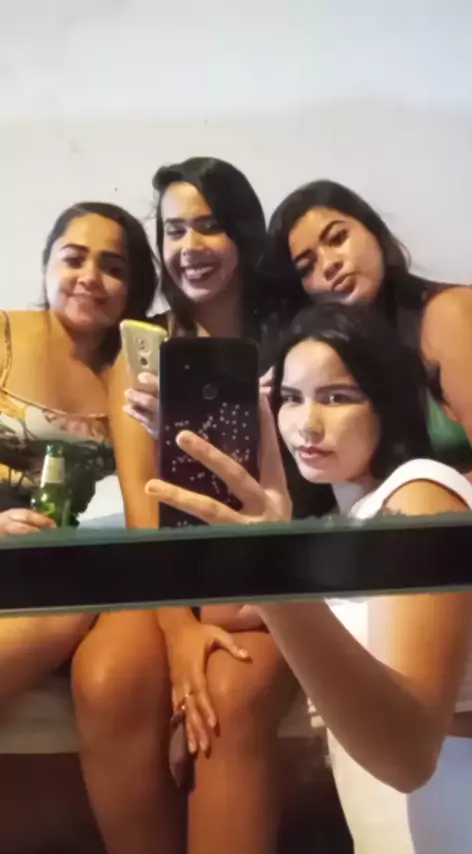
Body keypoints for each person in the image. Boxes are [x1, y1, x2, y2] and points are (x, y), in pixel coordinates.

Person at [146, 300, 472, 853]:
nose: (307, 424)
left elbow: (408, 755)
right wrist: (231, 475)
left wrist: (274, 569)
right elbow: (227, 611)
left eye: (337, 397)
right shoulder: (340, 525)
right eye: (290, 398)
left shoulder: (421, 495)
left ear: (386, 402)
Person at [73, 157, 302, 854]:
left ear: (242, 233)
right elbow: (145, 509)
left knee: (228, 696)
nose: (189, 247)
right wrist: (177, 632)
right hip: (167, 571)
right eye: (174, 231)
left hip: (266, 567)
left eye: (208, 226)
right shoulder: (142, 352)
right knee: (107, 678)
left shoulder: (297, 340)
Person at [0, 199, 157, 739]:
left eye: (113, 268)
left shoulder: (132, 371)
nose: (90, 277)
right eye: (73, 259)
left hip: (58, 567)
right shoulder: (4, 334)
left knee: (75, 605)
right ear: (47, 265)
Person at [267, 179, 472, 480]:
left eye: (337, 238)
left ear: (374, 232)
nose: (328, 265)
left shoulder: (449, 313)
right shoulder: (337, 354)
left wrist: (410, 500)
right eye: (306, 267)